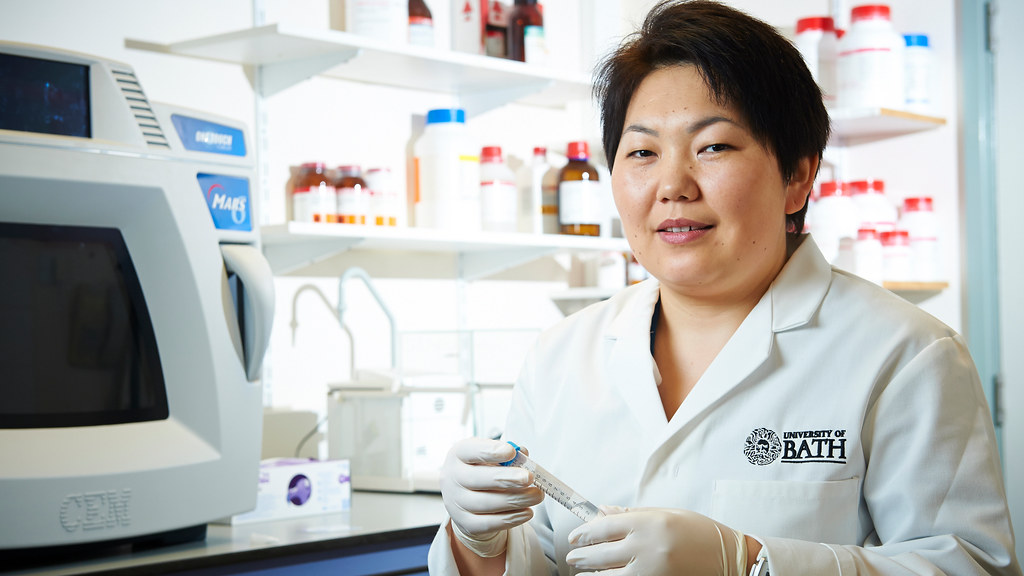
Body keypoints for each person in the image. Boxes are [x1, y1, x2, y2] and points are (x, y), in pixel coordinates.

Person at [427, 1, 1021, 574]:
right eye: (641, 152)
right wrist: (480, 542)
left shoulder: (906, 354)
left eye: (713, 146)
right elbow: (542, 561)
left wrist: (753, 565)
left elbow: (968, 566)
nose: (673, 185)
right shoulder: (560, 357)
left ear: (797, 176)